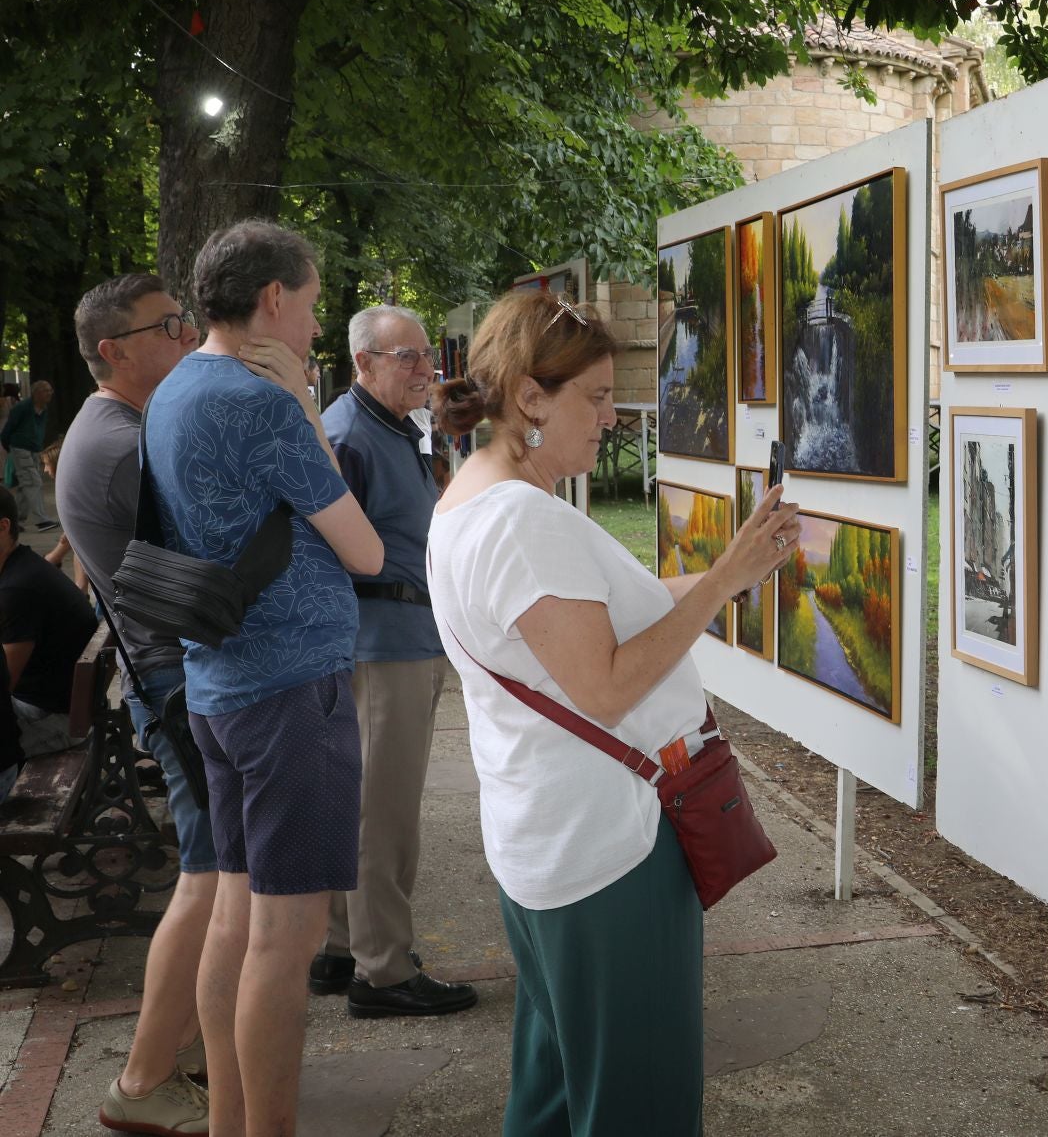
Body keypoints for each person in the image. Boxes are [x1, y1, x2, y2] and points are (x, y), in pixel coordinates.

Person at [426, 292, 797, 1135]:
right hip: (606, 850)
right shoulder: (523, 521)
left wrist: (723, 582)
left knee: (558, 1089)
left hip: (553, 841)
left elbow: (588, 623)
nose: (611, 416)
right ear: (529, 398)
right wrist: (717, 583)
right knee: (641, 1102)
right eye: (594, 396)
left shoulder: (474, 500)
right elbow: (605, 684)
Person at [144, 220, 384, 1135]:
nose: (314, 327)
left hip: (219, 686)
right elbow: (361, 550)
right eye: (313, 305)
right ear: (273, 300)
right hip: (291, 691)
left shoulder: (174, 390)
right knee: (285, 943)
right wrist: (307, 412)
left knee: (237, 916)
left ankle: (231, 1125)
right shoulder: (261, 402)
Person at [60, 272, 218, 1134]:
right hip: (179, 681)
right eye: (168, 326)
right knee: (210, 877)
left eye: (186, 318)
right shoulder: (124, 442)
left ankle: (182, 1056)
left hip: (169, 676)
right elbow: (200, 577)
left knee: (214, 875)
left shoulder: (118, 426)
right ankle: (142, 1080)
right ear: (114, 351)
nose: (188, 335)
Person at [310, 306, 476, 1018]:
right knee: (385, 814)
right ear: (363, 364)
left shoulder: (384, 428)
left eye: (425, 356)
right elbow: (321, 551)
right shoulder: (348, 434)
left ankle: (343, 945)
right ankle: (381, 972)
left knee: (364, 805)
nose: (424, 369)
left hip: (399, 636)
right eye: (404, 357)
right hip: (380, 645)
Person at [0, 485, 96, 758]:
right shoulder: (23, 566)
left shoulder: (18, 590)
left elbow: (3, 682)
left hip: (53, 719)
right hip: (63, 706)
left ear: (3, 526)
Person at [0, 381, 58, 530]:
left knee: (23, 485)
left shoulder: (43, 408)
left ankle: (15, 520)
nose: (50, 393)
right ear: (36, 393)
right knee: (33, 482)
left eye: (50, 390)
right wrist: (11, 448)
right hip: (21, 448)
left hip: (33, 450)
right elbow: (8, 429)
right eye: (46, 390)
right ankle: (41, 520)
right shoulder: (22, 408)